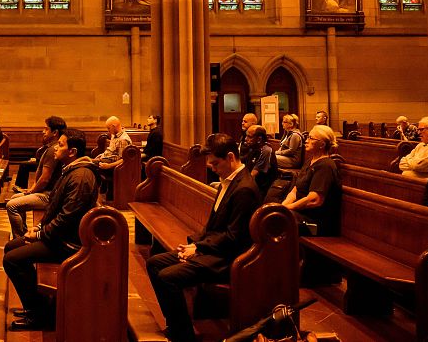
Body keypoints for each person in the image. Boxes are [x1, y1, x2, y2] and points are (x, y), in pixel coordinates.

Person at [146, 133, 261, 342]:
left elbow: (233, 236)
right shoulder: (228, 181)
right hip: (213, 249)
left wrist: (199, 249)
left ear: (230, 157)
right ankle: (176, 323)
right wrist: (194, 245)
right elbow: (213, 225)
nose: (212, 168)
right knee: (154, 263)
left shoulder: (244, 189)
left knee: (167, 277)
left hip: (228, 258)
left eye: (215, 163)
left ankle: (183, 335)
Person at [2, 129, 99, 331]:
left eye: (61, 145)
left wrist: (39, 234)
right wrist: (39, 227)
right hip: (59, 236)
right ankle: (38, 305)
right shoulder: (72, 170)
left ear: (72, 151)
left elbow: (67, 218)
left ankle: (39, 315)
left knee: (12, 259)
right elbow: (55, 206)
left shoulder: (81, 176)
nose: (56, 148)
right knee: (11, 247)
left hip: (69, 243)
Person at [6, 116, 66, 238]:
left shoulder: (52, 150)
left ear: (55, 132)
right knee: (14, 197)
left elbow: (45, 179)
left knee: (11, 206)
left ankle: (21, 239)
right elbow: (41, 177)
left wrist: (32, 191)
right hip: (45, 192)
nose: (43, 132)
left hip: (48, 196)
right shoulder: (51, 148)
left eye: (46, 129)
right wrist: (31, 189)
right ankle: (24, 233)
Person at [282, 125, 341, 236]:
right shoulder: (309, 161)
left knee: (278, 219)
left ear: (322, 145)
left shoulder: (326, 166)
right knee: (273, 214)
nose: (306, 141)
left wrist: (288, 208)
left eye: (311, 138)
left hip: (316, 222)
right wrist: (283, 205)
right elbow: (295, 190)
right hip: (301, 214)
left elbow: (314, 200)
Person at [243, 125, 278, 196]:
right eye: (246, 136)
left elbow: (252, 175)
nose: (246, 139)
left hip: (261, 190)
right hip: (254, 186)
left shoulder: (266, 151)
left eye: (249, 137)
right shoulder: (253, 148)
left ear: (259, 139)